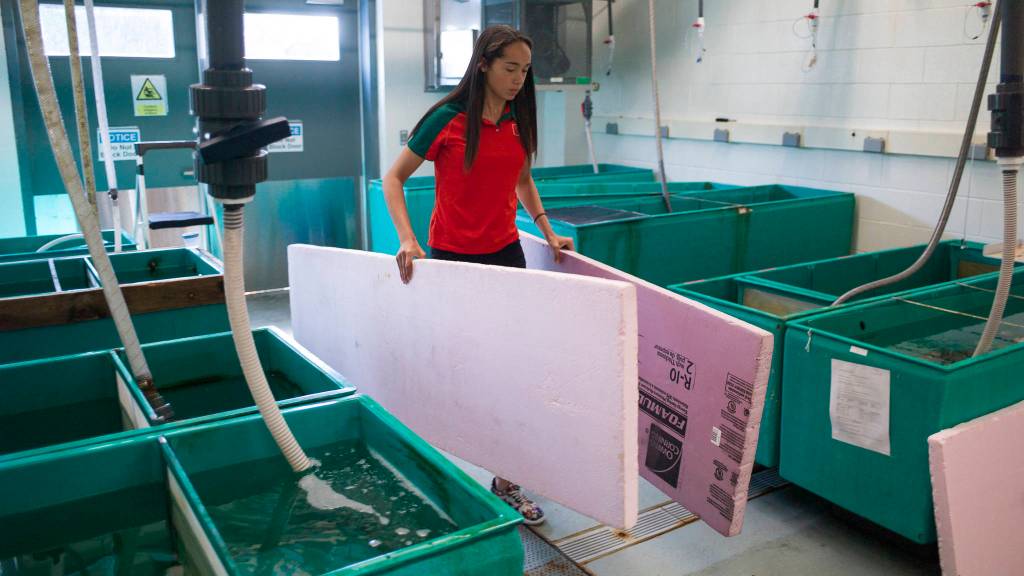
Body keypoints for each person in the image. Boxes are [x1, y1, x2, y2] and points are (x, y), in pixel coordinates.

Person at [381, 25, 574, 525]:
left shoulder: (516, 119)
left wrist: (548, 232)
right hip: (452, 259)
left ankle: (507, 479)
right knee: (456, 369)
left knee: (510, 370)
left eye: (525, 70)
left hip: (506, 255)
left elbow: (523, 179)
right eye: (510, 68)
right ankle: (440, 466)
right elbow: (393, 178)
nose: (518, 79)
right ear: (484, 64)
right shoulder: (446, 120)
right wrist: (407, 238)